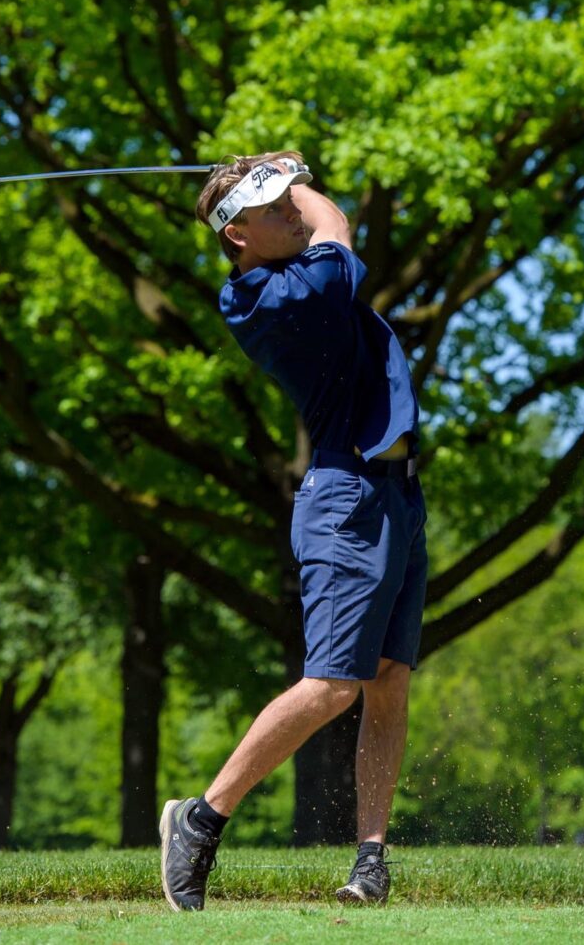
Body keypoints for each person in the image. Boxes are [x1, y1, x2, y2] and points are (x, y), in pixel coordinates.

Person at [160, 151, 428, 912]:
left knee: (387, 682)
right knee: (333, 684)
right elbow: (337, 227)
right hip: (346, 499)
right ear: (237, 235)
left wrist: (271, 178)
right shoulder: (269, 296)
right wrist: (298, 177)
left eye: (287, 204)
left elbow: (317, 229)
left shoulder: (288, 271)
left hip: (396, 495)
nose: (290, 214)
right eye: (271, 210)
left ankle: (370, 860)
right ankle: (200, 820)